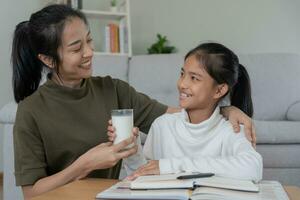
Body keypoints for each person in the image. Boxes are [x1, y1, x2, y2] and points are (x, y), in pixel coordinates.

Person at [11, 4, 255, 198]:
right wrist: (83, 165)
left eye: (89, 40)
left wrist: (225, 108)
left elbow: (178, 117)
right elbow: (32, 193)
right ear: (48, 60)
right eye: (76, 48)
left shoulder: (113, 89)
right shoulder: (31, 111)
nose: (89, 52)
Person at [126, 43, 263, 182]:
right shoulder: (162, 125)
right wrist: (132, 153)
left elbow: (252, 168)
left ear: (219, 90)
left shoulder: (231, 129)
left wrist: (173, 165)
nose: (182, 84)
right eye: (182, 74)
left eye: (194, 78)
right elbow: (144, 175)